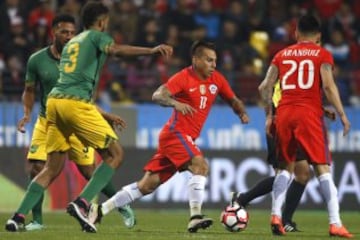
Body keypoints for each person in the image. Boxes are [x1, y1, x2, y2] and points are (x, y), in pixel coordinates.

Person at [5, 1, 173, 233]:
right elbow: (117, 51)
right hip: (76, 105)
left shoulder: (73, 44)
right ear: (102, 21)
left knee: (51, 169)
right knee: (115, 154)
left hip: (54, 105)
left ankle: (17, 217)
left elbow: (70, 81)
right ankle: (82, 203)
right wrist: (151, 50)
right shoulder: (95, 36)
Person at [87, 40, 250, 233]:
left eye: (215, 61)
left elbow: (233, 99)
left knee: (146, 186)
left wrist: (240, 112)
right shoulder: (183, 77)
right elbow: (158, 95)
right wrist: (175, 103)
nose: (213, 65)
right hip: (175, 134)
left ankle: (99, 210)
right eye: (208, 60)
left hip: (180, 138)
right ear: (196, 60)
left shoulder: (217, 79)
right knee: (201, 165)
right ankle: (195, 216)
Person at [258, 15, 353, 238]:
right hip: (308, 116)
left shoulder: (281, 54)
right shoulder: (322, 54)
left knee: (285, 168)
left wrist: (270, 115)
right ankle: (335, 223)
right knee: (322, 168)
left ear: (296, 34)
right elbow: (328, 87)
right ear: (318, 36)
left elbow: (264, 87)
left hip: (285, 113)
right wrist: (342, 114)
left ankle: (275, 216)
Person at [231, 81, 337, 232]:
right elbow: (270, 92)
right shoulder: (284, 74)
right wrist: (269, 116)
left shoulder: (296, 75)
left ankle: (279, 217)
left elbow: (298, 99)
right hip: (281, 127)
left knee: (301, 175)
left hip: (293, 125)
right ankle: (252, 204)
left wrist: (322, 110)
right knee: (285, 174)